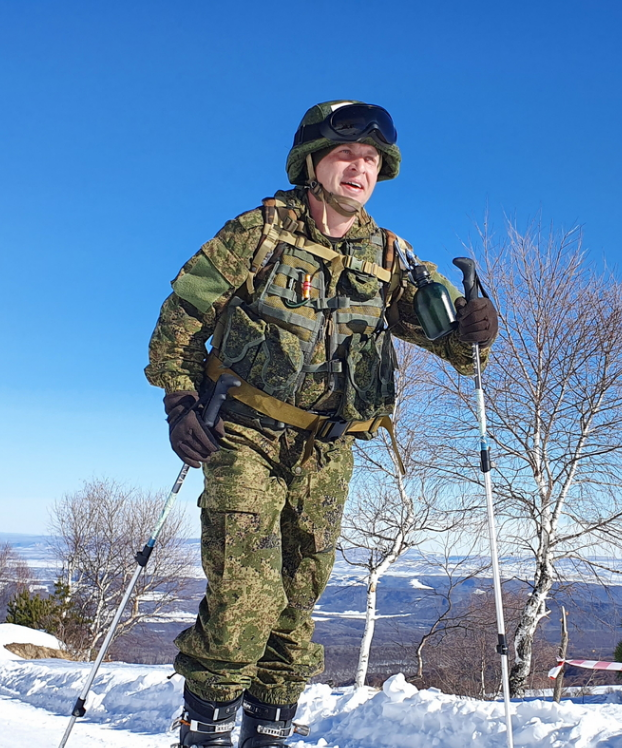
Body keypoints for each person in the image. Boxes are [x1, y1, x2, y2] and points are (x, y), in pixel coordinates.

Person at [145, 100, 498, 747]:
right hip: (244, 434)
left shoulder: (390, 256)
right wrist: (179, 402)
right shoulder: (258, 232)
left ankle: (269, 729)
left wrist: (478, 328)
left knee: (297, 601)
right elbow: (180, 322)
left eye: (370, 160)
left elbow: (452, 344)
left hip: (327, 450)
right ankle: (207, 726)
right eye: (346, 156)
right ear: (312, 163)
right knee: (244, 600)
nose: (359, 169)